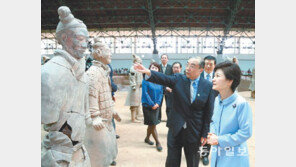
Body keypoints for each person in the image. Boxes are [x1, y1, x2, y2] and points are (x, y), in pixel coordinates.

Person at [134, 57, 215, 167]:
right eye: (187, 65)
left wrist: (205, 133)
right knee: (172, 161)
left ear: (201, 70)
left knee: (192, 161)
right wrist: (148, 72)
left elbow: (208, 112)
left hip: (194, 131)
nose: (188, 68)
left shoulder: (208, 86)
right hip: (176, 128)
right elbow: (164, 78)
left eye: (192, 66)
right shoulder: (178, 79)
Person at [41, 6, 91, 166]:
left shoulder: (81, 72)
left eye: (86, 40)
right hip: (59, 155)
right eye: (79, 38)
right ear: (63, 38)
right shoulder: (49, 73)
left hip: (79, 150)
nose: (84, 45)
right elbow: (48, 117)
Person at [207, 61, 253, 167]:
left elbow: (245, 132)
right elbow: (213, 121)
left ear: (229, 81)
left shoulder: (241, 104)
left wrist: (219, 139)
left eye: (218, 76)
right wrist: (212, 133)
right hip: (218, 153)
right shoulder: (216, 101)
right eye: (214, 76)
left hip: (234, 158)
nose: (213, 79)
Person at [84, 37, 118, 167]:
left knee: (107, 154)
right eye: (107, 51)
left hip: (107, 120)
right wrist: (95, 115)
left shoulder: (103, 71)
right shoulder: (93, 73)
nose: (110, 54)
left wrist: (112, 109)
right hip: (98, 123)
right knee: (97, 157)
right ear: (98, 53)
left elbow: (105, 95)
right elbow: (90, 95)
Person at [199, 55, 218, 165]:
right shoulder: (198, 74)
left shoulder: (217, 77)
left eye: (211, 64)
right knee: (196, 132)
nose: (208, 66)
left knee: (208, 132)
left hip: (212, 110)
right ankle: (196, 152)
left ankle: (205, 154)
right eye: (206, 63)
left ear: (214, 65)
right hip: (197, 109)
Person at [142, 62, 164, 152]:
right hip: (148, 105)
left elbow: (161, 93)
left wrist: (158, 103)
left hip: (157, 105)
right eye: (152, 67)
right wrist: (152, 104)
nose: (154, 69)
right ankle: (158, 142)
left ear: (158, 70)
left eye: (156, 68)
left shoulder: (160, 81)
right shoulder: (145, 80)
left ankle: (147, 138)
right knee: (153, 124)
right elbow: (145, 93)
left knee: (151, 124)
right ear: (149, 69)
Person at [125, 54, 143, 123]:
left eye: (140, 61)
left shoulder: (139, 68)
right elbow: (132, 78)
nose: (140, 63)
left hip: (139, 87)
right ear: (135, 62)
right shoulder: (133, 69)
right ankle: (133, 118)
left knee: (137, 103)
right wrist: (133, 85)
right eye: (138, 61)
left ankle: (136, 117)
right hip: (135, 88)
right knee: (134, 103)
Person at [165, 61, 182, 127]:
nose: (175, 69)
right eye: (174, 67)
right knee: (170, 114)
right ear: (172, 69)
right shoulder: (169, 78)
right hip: (170, 101)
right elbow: (164, 86)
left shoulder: (185, 78)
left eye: (177, 67)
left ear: (180, 68)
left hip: (180, 102)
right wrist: (166, 88)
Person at [159, 54, 173, 121]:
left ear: (167, 59)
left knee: (169, 105)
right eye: (162, 58)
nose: (164, 59)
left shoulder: (171, 67)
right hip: (159, 89)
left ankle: (169, 118)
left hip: (168, 89)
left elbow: (172, 78)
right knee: (159, 104)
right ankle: (158, 118)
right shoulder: (158, 67)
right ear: (161, 59)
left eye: (165, 58)